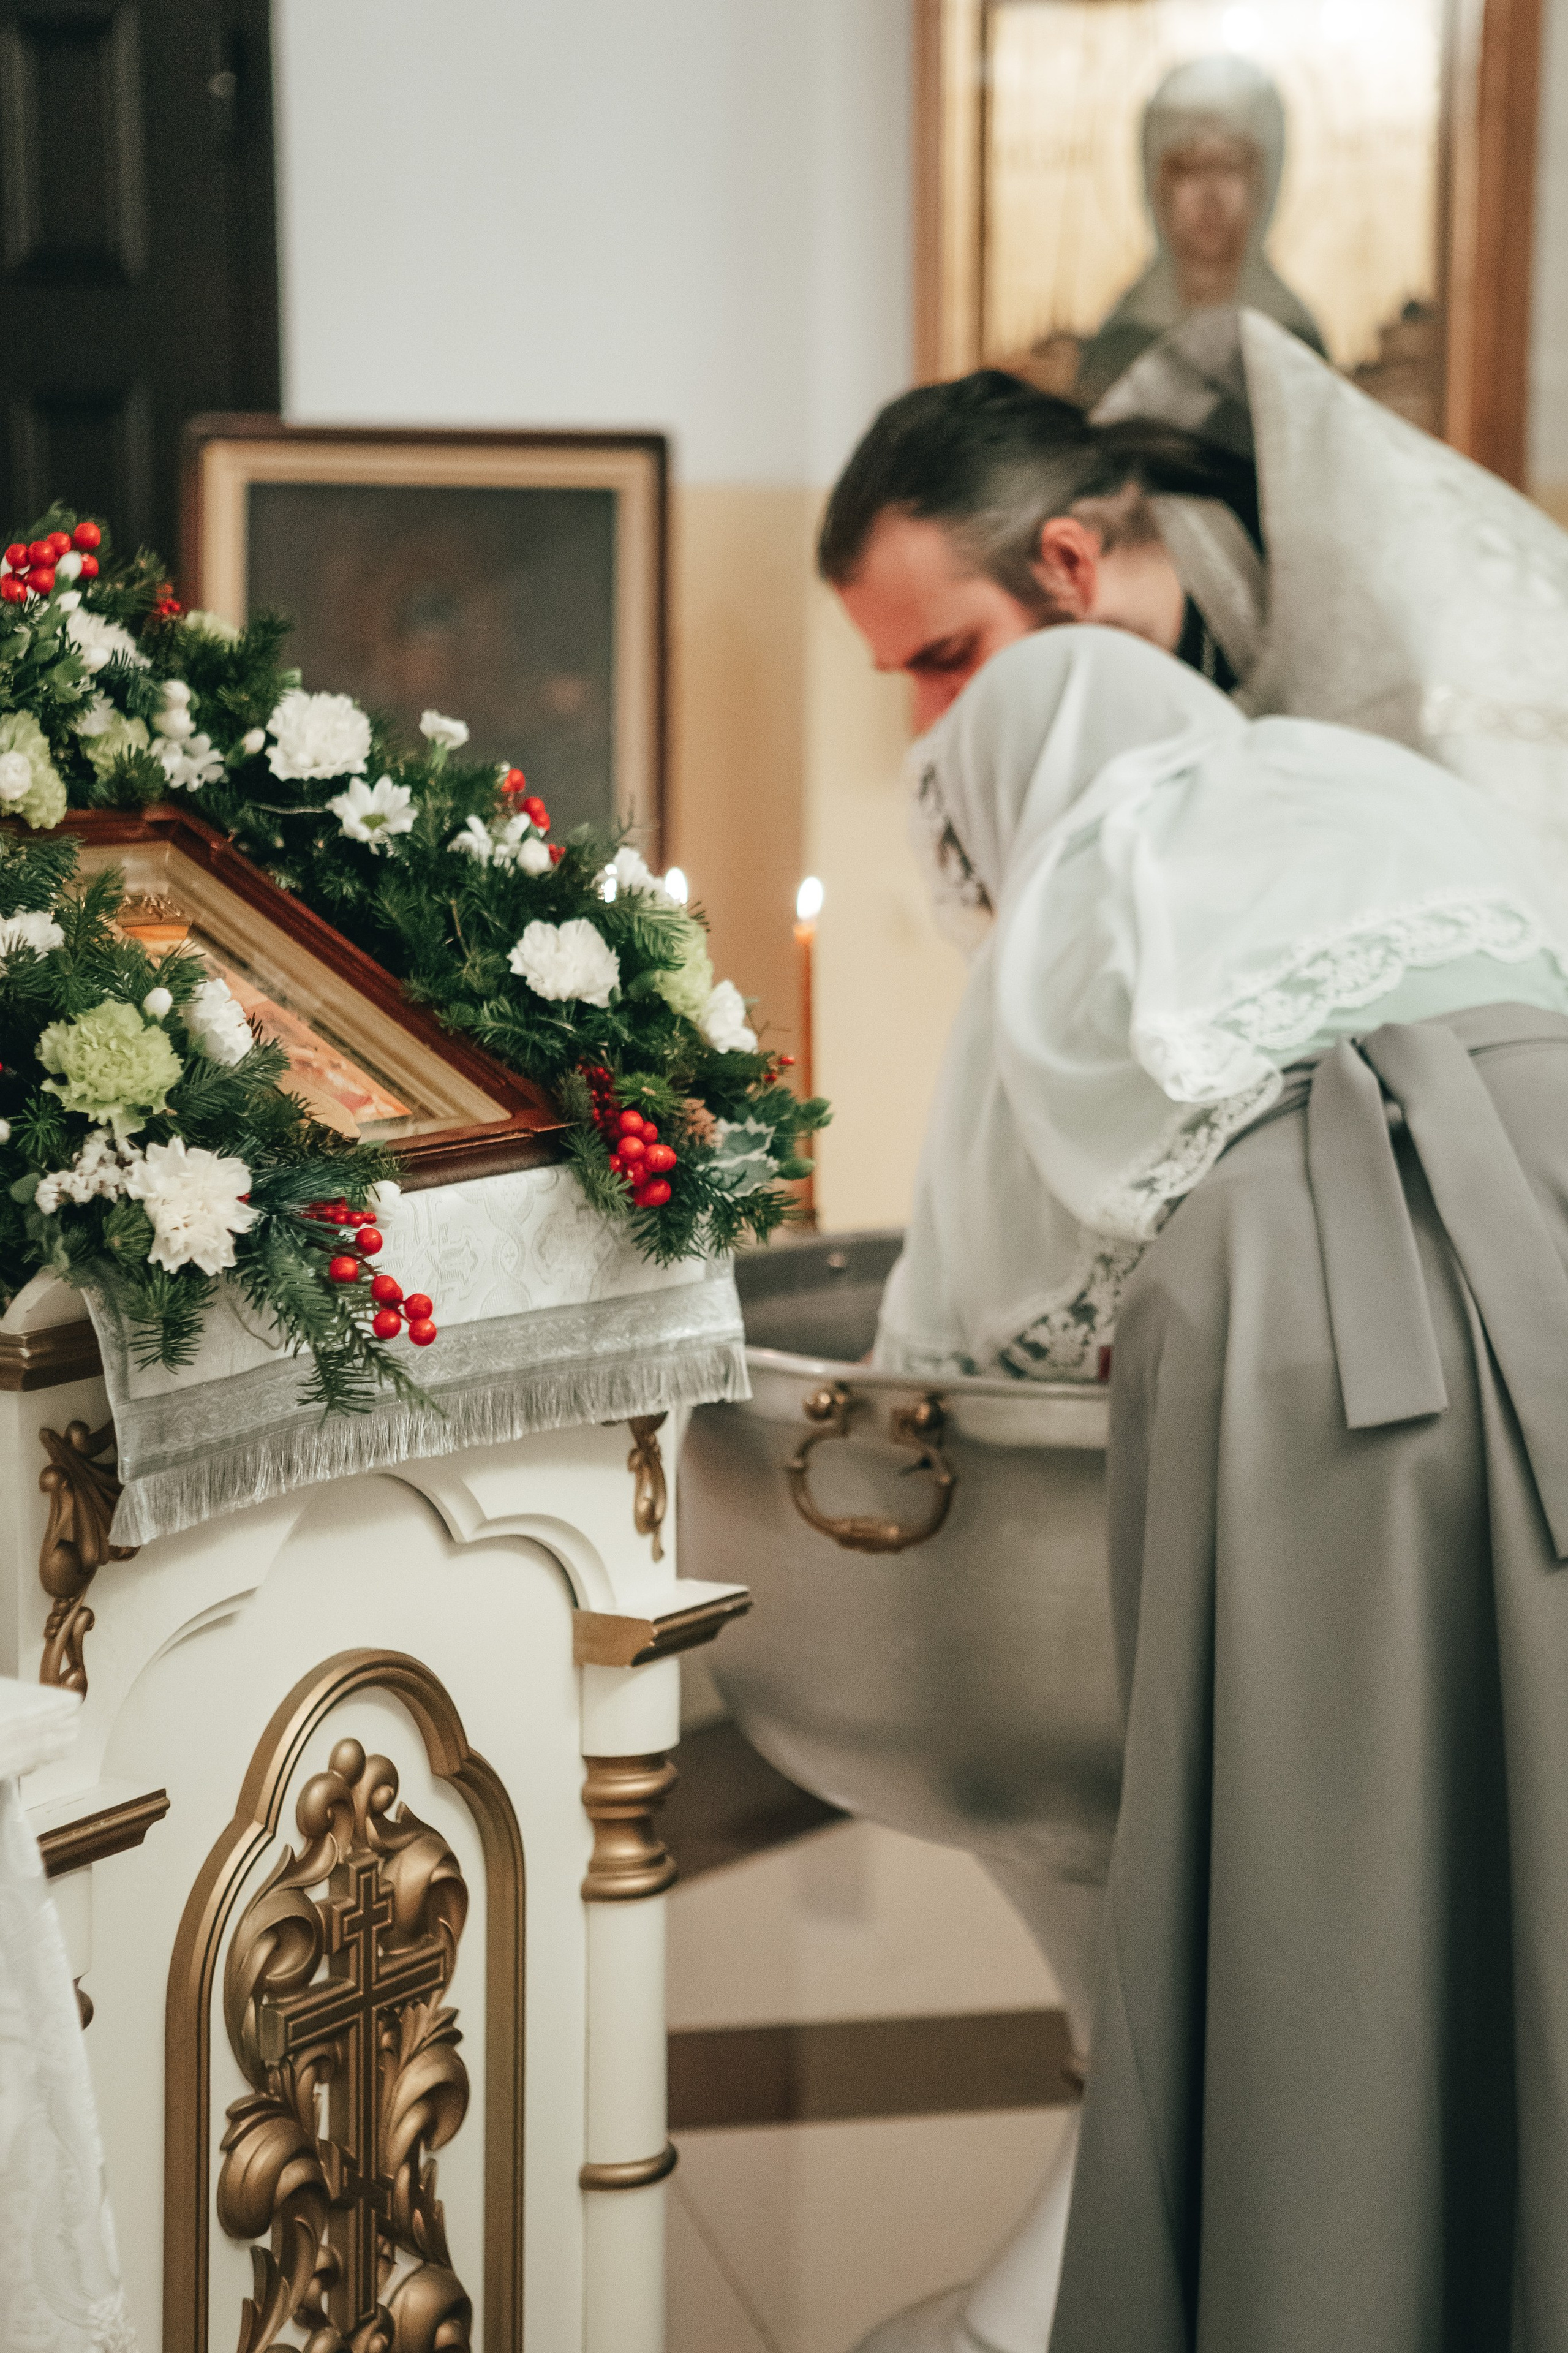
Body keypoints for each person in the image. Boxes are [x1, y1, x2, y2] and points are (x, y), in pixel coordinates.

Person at [872, 621, 1568, 2349]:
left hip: (1298, 1312)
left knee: (1334, 1841)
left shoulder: (1084, 865)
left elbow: (985, 1309)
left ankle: (1350, 2279)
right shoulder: (1369, 774)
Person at [820, 308, 1568, 872]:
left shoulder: (1409, 630)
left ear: (1069, 564)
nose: (928, 721)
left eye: (949, 656)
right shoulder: (1088, 692)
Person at [1074, 56, 1326, 407]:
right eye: (1189, 168)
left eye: (1231, 166)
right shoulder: (1121, 346)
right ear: (1157, 185)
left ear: (1262, 184)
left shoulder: (1292, 342)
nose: (1211, 196)